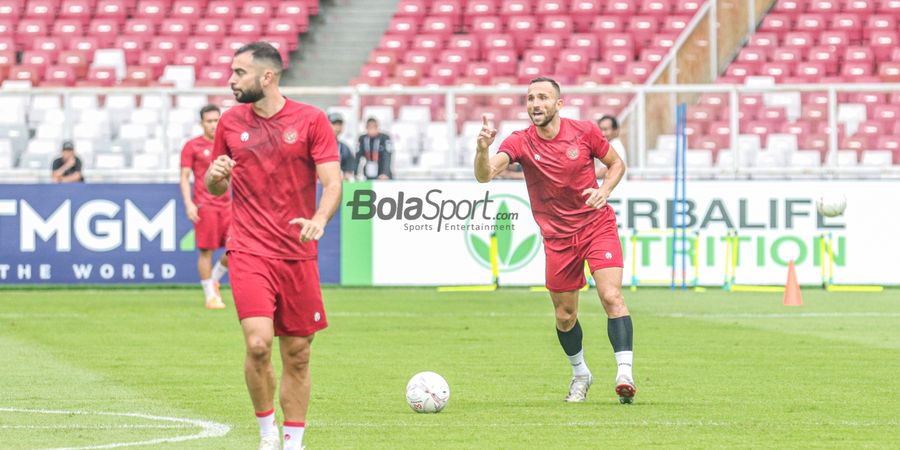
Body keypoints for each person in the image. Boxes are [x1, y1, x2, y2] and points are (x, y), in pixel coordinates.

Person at [205, 41, 341, 450]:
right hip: (248, 249)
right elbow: (214, 186)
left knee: (298, 353)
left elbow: (333, 183)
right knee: (259, 342)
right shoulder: (230, 122)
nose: (231, 80)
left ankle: (293, 441)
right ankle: (267, 436)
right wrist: (216, 173)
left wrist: (319, 220)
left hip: (297, 253)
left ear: (267, 77)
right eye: (231, 72)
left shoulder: (312, 120)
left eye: (239, 73)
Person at [473, 77, 634, 404]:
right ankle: (580, 374)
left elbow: (616, 164)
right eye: (531, 98)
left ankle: (624, 374)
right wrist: (482, 150)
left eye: (543, 98)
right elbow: (485, 174)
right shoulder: (520, 141)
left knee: (611, 294)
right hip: (558, 239)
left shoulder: (585, 131)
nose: (536, 103)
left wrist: (604, 191)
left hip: (596, 225)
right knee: (565, 316)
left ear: (558, 104)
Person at [180, 104, 230, 310]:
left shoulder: (227, 145)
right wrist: (189, 204)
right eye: (209, 121)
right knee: (206, 251)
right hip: (205, 205)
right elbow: (184, 177)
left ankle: (215, 279)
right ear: (202, 123)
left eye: (216, 120)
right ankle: (210, 295)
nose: (213, 125)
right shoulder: (192, 146)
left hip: (228, 205)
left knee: (236, 248)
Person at [595, 115, 627, 179]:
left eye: (605, 129)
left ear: (615, 130)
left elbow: (611, 168)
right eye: (600, 129)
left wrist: (588, 173)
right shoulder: (608, 145)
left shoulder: (616, 146)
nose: (602, 133)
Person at [329, 112, 355, 180]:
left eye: (339, 124)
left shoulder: (344, 148)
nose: (337, 127)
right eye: (334, 124)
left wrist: (347, 173)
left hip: (338, 183)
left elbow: (350, 166)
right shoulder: (318, 145)